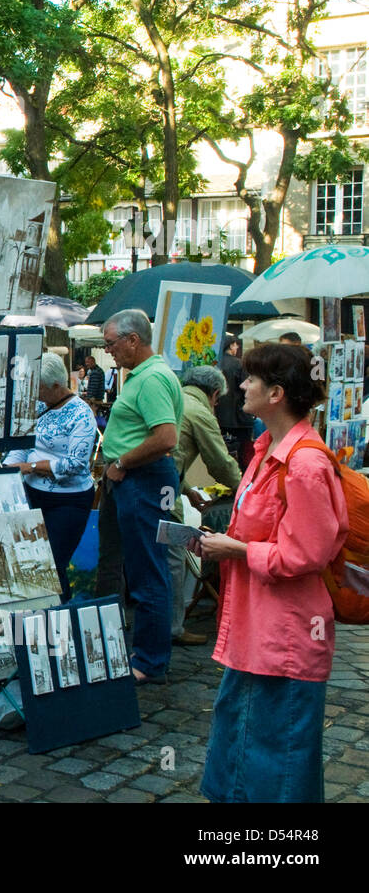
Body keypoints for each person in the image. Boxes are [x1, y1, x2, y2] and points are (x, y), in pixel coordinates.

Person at [191, 342, 346, 802]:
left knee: (279, 762)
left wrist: (236, 550)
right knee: (244, 746)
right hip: (255, 630)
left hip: (286, 636)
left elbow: (305, 555)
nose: (241, 385)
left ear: (275, 393)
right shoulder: (266, 451)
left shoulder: (305, 463)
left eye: (251, 379)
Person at [95, 308, 184, 685]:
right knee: (123, 566)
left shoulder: (150, 380)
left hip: (141, 479)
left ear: (133, 339)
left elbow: (166, 437)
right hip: (133, 479)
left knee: (147, 571)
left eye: (111, 344)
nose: (108, 351)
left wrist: (123, 463)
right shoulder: (144, 375)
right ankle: (122, 646)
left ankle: (149, 660)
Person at [2, 353, 98, 599]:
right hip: (33, 494)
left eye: (40, 388)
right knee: (29, 562)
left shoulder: (81, 414)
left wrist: (30, 467)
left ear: (57, 386)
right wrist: (7, 471)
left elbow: (75, 464)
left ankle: (58, 621)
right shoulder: (37, 406)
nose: (36, 393)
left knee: (53, 565)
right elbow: (20, 446)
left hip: (69, 501)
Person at [168, 366, 242, 647]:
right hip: (163, 493)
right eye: (217, 400)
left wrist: (186, 489)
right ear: (213, 394)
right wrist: (247, 489)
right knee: (173, 560)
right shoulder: (200, 412)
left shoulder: (175, 398)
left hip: (147, 487)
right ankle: (173, 628)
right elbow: (221, 464)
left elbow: (172, 453)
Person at [216, 334, 251, 475]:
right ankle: (242, 477)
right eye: (236, 345)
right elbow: (245, 388)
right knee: (244, 452)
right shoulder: (239, 364)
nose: (237, 347)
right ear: (231, 345)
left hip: (219, 415)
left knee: (222, 450)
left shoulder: (214, 363)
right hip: (239, 416)